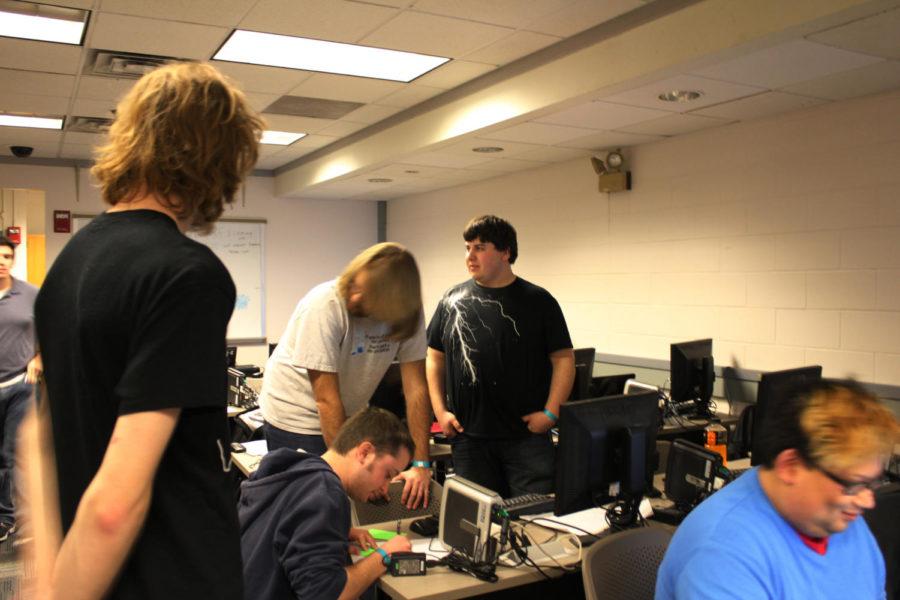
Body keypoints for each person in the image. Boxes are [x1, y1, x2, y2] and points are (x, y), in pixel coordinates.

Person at [23, 62, 264, 599]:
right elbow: (114, 505)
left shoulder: (69, 264)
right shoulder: (186, 274)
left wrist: (49, 580)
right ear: (216, 158)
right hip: (169, 577)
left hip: (91, 571)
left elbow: (36, 438)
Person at [656, 380, 900, 600]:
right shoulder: (724, 554)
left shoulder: (840, 521)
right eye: (853, 485)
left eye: (871, 484)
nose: (867, 500)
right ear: (791, 467)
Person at [260, 242, 433, 508]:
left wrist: (421, 464)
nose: (353, 298)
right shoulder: (324, 305)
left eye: (367, 296)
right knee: (312, 502)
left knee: (345, 501)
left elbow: (416, 389)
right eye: (354, 286)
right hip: (295, 415)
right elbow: (326, 400)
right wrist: (352, 474)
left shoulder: (407, 314)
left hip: (350, 413)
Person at [426, 215, 575, 498]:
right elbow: (435, 357)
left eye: (480, 247)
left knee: (535, 523)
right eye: (468, 247)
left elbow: (564, 360)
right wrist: (439, 411)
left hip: (526, 439)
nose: (470, 256)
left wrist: (551, 413)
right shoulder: (451, 301)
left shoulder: (539, 301)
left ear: (506, 252)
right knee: (478, 527)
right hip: (469, 440)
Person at [240, 407, 414, 600]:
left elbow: (279, 533)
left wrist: (335, 533)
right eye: (388, 475)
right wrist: (385, 555)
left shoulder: (296, 471)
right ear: (365, 452)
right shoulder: (324, 493)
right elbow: (326, 594)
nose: (385, 488)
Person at [0, 235, 41, 542]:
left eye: (6, 256)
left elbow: (49, 332)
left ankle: (25, 522)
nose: (2, 262)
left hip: (21, 386)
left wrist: (39, 358)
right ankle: (4, 517)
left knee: (19, 454)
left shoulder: (30, 294)